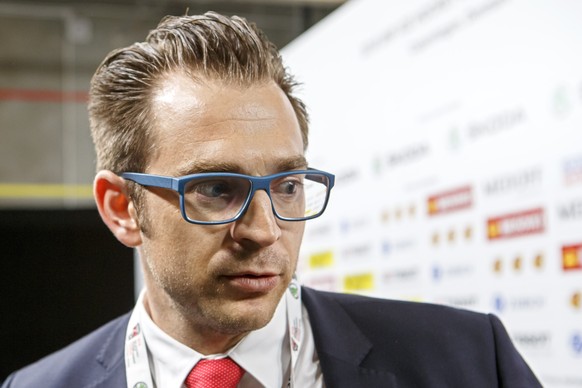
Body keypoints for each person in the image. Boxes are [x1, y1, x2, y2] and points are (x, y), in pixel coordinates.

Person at [2, 11, 541, 388]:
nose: (264, 231)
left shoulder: (469, 361)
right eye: (216, 189)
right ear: (122, 208)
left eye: (286, 185)